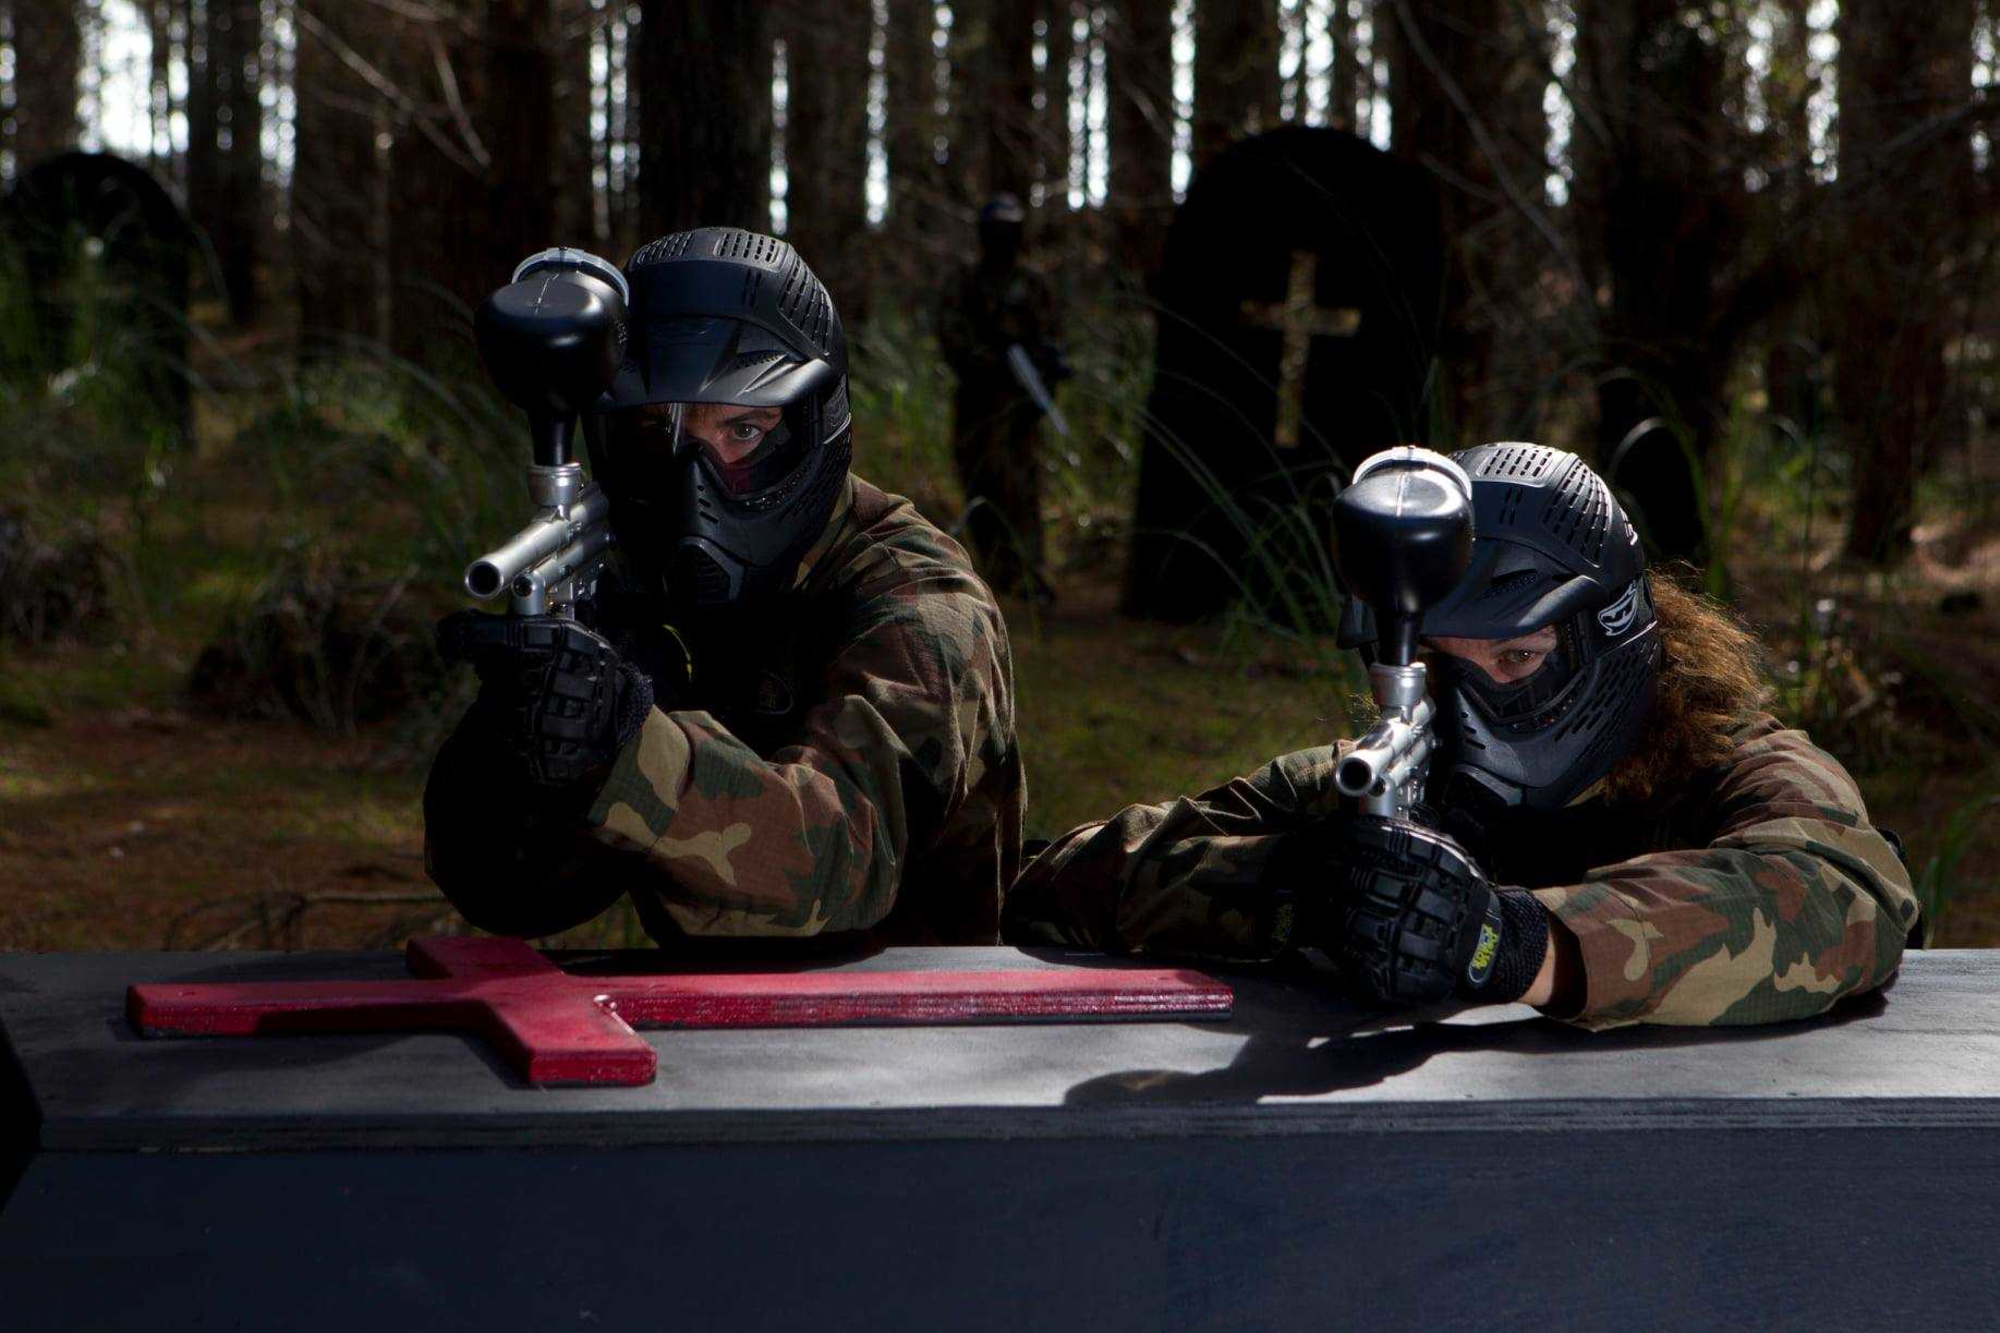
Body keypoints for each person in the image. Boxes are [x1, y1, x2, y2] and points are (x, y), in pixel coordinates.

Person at [1003, 443, 1919, 1027]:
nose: (1478, 703)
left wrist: (1513, 944)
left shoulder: (1733, 766)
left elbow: (1841, 895)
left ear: (1612, 638)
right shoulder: (1381, 778)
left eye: (1516, 661)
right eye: (1449, 665)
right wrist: (1296, 889)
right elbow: (1062, 882)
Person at [425, 228, 1023, 946]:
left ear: (813, 425)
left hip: (925, 1029)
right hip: (711, 1033)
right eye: (656, 431)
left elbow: (839, 863)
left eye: (742, 430)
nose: (693, 482)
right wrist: (527, 750)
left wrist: (630, 744)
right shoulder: (645, 578)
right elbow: (513, 894)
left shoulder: (925, 610)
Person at [937, 193, 1068, 601]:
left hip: (1022, 408)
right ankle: (993, 572)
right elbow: (952, 338)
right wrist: (991, 359)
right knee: (981, 483)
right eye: (997, 231)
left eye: (1009, 231)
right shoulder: (966, 282)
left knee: (1023, 488)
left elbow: (1053, 337)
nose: (1003, 240)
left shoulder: (1033, 284)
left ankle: (1028, 574)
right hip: (978, 406)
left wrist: (1045, 366)